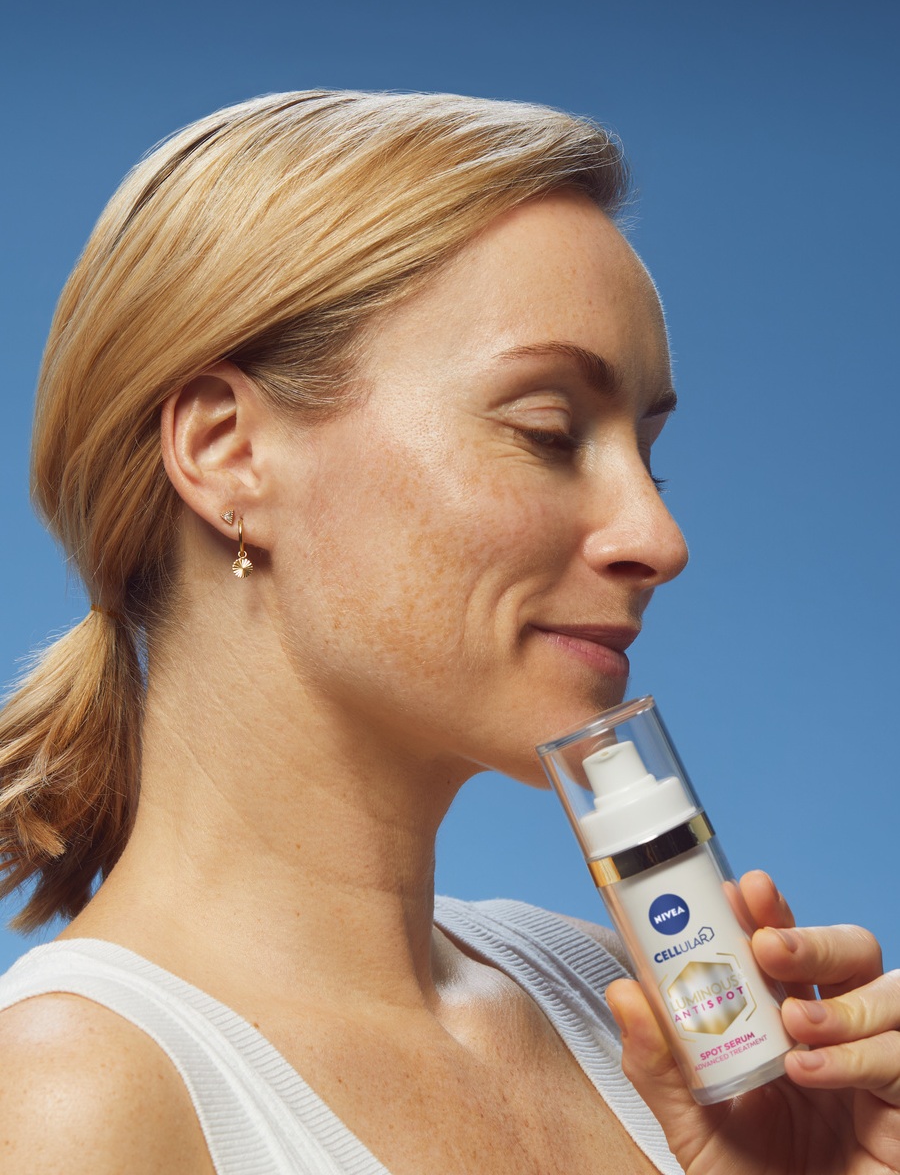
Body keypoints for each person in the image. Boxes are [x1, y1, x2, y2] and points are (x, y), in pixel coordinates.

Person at [0, 90, 896, 1175]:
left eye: (649, 455)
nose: (659, 537)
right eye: (549, 430)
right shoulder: (72, 1101)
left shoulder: (627, 1014)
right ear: (230, 451)